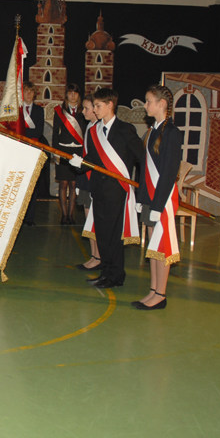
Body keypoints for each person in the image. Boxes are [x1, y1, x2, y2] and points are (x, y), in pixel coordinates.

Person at [69, 87, 145, 288]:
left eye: (97, 105)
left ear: (110, 105)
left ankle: (116, 275)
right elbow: (93, 159)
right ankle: (106, 272)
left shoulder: (125, 129)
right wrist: (79, 164)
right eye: (94, 106)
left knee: (113, 236)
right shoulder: (95, 131)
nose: (94, 109)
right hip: (98, 190)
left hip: (116, 191)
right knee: (102, 235)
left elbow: (142, 159)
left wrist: (143, 192)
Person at [133, 86, 183, 310]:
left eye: (148, 101)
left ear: (161, 103)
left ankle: (160, 294)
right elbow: (144, 169)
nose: (145, 105)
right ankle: (153, 290)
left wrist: (157, 205)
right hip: (150, 198)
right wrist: (141, 198)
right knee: (152, 247)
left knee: (161, 247)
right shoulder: (152, 131)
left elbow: (169, 172)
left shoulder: (172, 132)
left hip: (162, 200)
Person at [53, 83, 86, 225]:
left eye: (75, 93)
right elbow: (55, 133)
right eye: (70, 93)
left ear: (79, 95)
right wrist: (55, 152)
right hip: (63, 150)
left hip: (78, 151)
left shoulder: (84, 111)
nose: (73, 96)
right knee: (63, 183)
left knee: (73, 184)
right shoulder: (60, 111)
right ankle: (64, 215)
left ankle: (71, 216)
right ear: (66, 95)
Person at [75, 95, 101, 271]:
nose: (83, 111)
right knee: (88, 219)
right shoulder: (89, 126)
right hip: (86, 177)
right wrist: (80, 181)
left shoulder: (98, 128)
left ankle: (98, 256)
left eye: (86, 108)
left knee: (94, 220)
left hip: (94, 178)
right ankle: (94, 255)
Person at [21, 81, 46, 225]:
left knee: (33, 184)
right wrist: (25, 133)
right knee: (20, 183)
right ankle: (19, 218)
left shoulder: (39, 110)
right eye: (26, 91)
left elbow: (38, 132)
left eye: (31, 91)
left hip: (34, 151)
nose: (28, 94)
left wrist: (23, 133)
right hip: (20, 150)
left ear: (34, 94)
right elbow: (14, 131)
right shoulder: (17, 110)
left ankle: (30, 218)